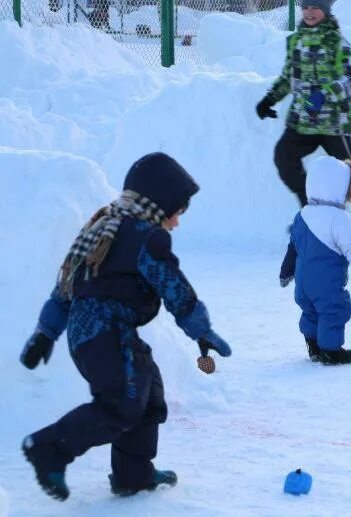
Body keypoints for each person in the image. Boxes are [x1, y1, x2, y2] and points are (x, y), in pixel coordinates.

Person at [19, 152, 233, 501]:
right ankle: (48, 448)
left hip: (96, 334)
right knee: (122, 403)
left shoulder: (104, 227)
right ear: (159, 204)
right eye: (177, 212)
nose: (177, 222)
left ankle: (133, 475)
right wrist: (201, 330)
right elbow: (174, 286)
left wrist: (45, 334)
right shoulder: (147, 237)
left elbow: (67, 287)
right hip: (105, 335)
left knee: (148, 395)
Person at [256, 0, 351, 253]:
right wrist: (269, 98)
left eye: (315, 7)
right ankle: (313, 214)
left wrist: (324, 95)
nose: (309, 12)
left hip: (332, 124)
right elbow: (289, 77)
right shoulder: (296, 40)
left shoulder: (337, 42)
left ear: (326, 10)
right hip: (302, 121)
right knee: (284, 157)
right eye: (305, 7)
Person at [279, 156, 351, 365]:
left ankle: (314, 346)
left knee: (310, 311)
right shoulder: (339, 219)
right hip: (326, 284)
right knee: (333, 310)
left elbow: (292, 248)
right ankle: (331, 350)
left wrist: (285, 272)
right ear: (340, 186)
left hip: (302, 283)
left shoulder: (302, 214)